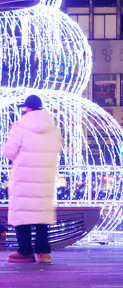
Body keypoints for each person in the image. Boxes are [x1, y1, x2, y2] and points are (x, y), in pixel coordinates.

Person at [2, 95, 62, 263]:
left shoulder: (19, 127)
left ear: (27, 109)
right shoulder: (52, 129)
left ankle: (25, 251)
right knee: (41, 215)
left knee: (23, 214)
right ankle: (44, 253)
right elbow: (57, 150)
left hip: (23, 178)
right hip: (45, 178)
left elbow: (9, 152)